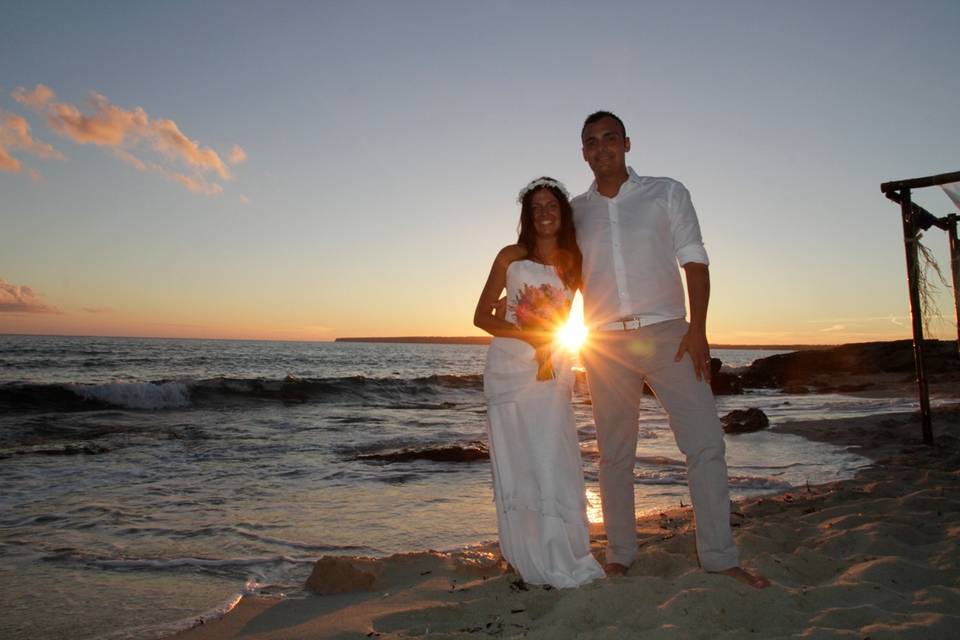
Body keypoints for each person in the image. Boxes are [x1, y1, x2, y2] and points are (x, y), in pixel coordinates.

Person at [573, 111, 770, 588]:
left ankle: (720, 558)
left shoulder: (666, 192)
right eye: (592, 142)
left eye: (610, 139)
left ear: (627, 143)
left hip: (668, 334)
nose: (602, 149)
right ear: (583, 151)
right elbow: (564, 280)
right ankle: (620, 553)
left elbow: (695, 259)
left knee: (705, 444)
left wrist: (698, 329)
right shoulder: (576, 211)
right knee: (614, 454)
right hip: (602, 344)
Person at [473, 177, 605, 588]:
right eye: (536, 208)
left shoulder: (575, 262)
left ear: (563, 213)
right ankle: (524, 555)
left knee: (552, 454)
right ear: (527, 217)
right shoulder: (510, 256)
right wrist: (526, 333)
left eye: (552, 206)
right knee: (519, 458)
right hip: (510, 367)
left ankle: (561, 549)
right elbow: (482, 317)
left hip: (552, 367)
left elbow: (593, 308)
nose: (545, 213)